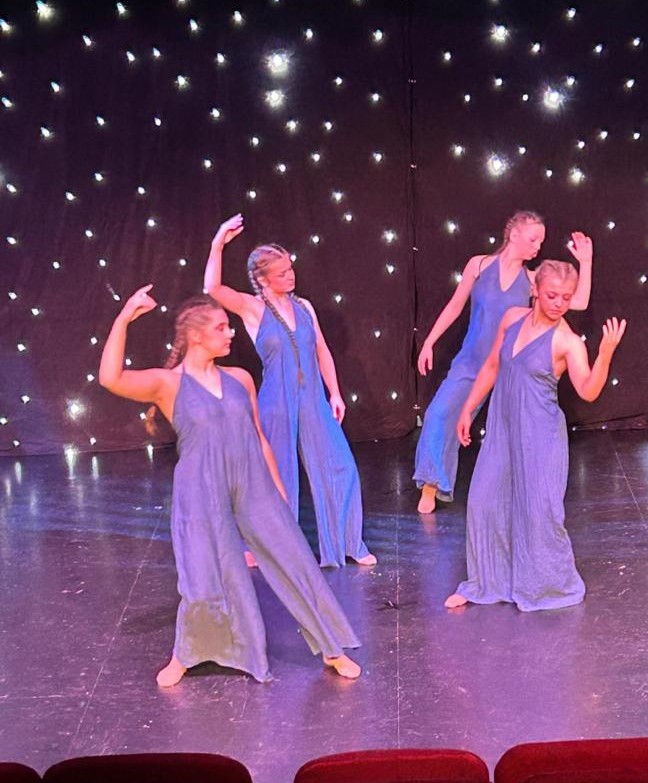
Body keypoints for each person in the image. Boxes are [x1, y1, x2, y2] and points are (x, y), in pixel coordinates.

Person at [98, 285, 363, 686]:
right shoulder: (169, 384)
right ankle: (187, 653)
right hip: (200, 488)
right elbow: (110, 379)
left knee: (296, 561)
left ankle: (332, 648)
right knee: (203, 575)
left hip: (252, 482)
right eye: (221, 327)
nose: (231, 333)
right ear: (196, 336)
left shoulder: (240, 378)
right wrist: (124, 318)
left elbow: (260, 438)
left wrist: (280, 492)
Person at [444, 260, 626, 611]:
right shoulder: (512, 318)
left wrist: (604, 355)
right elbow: (493, 365)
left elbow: (588, 391)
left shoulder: (567, 342)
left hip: (540, 436)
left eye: (566, 297)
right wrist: (468, 407)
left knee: (539, 514)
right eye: (552, 295)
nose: (559, 303)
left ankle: (547, 585)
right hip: (503, 428)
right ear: (536, 291)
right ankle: (485, 583)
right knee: (484, 503)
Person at [203, 214, 375, 568]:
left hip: (312, 399)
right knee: (274, 475)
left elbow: (321, 350)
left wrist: (335, 393)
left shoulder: (304, 307)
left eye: (290, 269)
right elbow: (213, 289)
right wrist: (218, 241)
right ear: (263, 279)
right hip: (276, 402)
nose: (290, 276)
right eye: (282, 273)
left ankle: (348, 543)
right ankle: (267, 547)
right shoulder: (253, 309)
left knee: (340, 466)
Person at [414, 211, 594, 513]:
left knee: (512, 434)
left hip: (510, 368)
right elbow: (455, 306)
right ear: (514, 234)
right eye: (533, 239)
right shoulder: (478, 265)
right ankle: (431, 485)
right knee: (438, 414)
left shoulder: (532, 280)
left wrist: (585, 262)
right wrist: (429, 341)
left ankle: (522, 496)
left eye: (541, 242)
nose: (537, 247)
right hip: (471, 362)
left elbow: (579, 301)